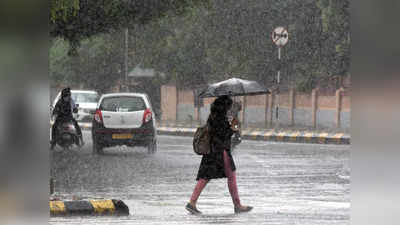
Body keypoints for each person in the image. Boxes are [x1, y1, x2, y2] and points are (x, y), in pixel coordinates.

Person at [185, 95, 253, 214]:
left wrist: (234, 117)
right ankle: (237, 205)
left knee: (205, 177)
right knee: (231, 176)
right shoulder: (221, 119)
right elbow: (227, 133)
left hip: (211, 151)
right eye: (229, 106)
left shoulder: (213, 117)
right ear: (224, 107)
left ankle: (192, 202)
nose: (230, 108)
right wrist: (235, 121)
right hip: (220, 152)